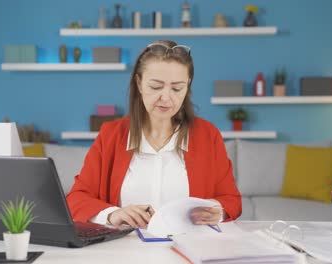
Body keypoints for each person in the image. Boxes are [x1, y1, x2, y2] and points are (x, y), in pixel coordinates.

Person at [66, 40, 242, 229]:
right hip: (124, 252)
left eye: (177, 88)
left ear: (188, 86)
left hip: (189, 250)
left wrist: (218, 210)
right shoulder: (111, 135)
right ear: (139, 83)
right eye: (156, 87)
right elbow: (76, 199)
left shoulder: (208, 135)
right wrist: (113, 214)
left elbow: (231, 200)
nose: (166, 97)